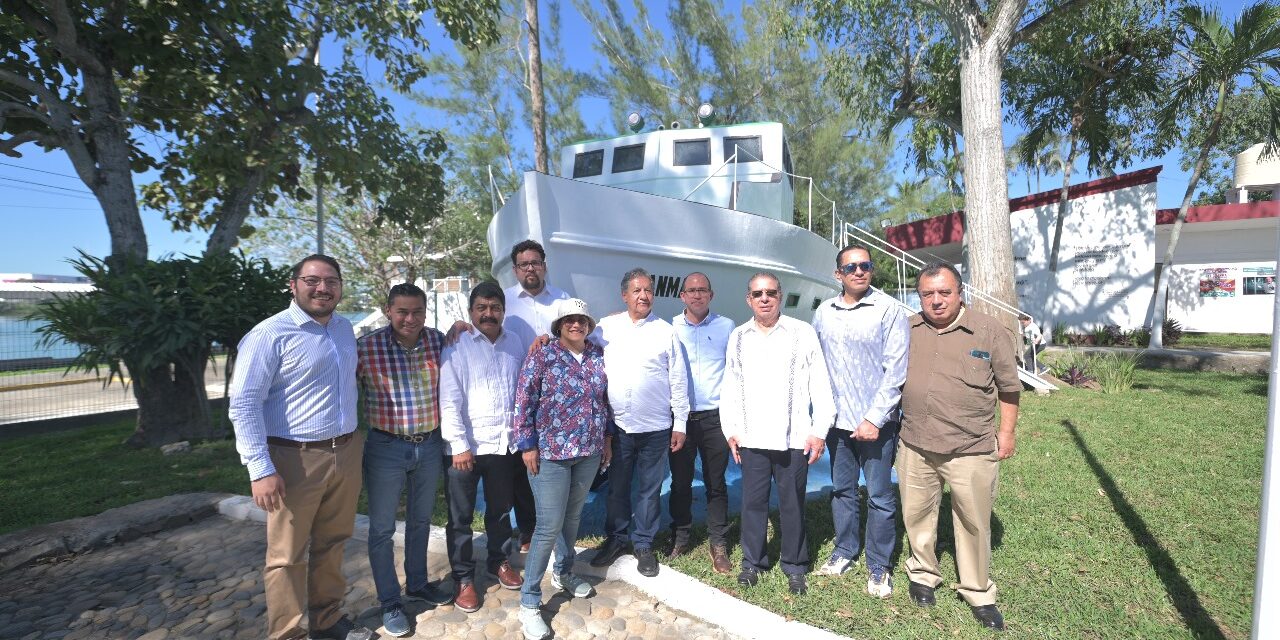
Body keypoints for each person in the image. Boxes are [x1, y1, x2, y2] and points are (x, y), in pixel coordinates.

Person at [228, 254, 372, 640]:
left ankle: (327, 622)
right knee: (286, 556)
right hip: (294, 459)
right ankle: (287, 633)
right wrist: (260, 469)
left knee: (333, 543)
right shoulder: (268, 335)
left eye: (331, 281)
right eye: (312, 280)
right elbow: (243, 404)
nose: (323, 288)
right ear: (293, 286)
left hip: (345, 451)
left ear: (341, 287)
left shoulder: (343, 329)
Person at [899, 262, 1021, 631]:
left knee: (972, 521)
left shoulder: (988, 330)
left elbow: (1009, 387)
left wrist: (1007, 432)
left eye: (944, 292)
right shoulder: (908, 329)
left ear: (960, 291)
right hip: (916, 442)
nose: (936, 301)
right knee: (917, 514)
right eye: (927, 294)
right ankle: (923, 575)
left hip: (970, 446)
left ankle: (978, 592)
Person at [721, 272, 836, 596]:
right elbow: (730, 386)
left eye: (770, 292)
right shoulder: (739, 337)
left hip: (793, 439)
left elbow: (820, 385)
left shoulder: (801, 333)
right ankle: (752, 562)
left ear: (780, 296)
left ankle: (795, 566)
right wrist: (731, 430)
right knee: (753, 504)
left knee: (792, 505)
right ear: (749, 299)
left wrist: (818, 431)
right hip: (753, 439)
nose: (764, 298)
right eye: (758, 293)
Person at [512, 298, 613, 640]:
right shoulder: (542, 354)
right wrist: (527, 444)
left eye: (582, 320)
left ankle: (564, 572)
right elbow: (524, 399)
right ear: (559, 325)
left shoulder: (597, 354)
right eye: (569, 320)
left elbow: (604, 402)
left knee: (572, 518)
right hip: (550, 453)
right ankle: (529, 602)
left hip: (588, 450)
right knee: (548, 525)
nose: (576, 324)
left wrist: (607, 440)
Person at [356, 283, 453, 637]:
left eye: (417, 312)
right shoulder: (366, 348)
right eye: (402, 312)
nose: (409, 319)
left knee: (421, 520)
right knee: (381, 529)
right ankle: (389, 601)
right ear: (388, 311)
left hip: (428, 445)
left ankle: (418, 583)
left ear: (425, 312)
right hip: (385, 448)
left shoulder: (439, 342)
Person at [812, 245, 909, 599]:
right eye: (850, 267)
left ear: (872, 270)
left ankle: (879, 564)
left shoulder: (888, 310)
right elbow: (816, 365)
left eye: (865, 265)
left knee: (880, 497)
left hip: (875, 425)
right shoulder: (824, 312)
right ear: (838, 273)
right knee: (842, 491)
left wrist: (874, 418)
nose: (858, 271)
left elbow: (896, 371)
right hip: (838, 424)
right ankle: (845, 550)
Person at [588, 268, 690, 578]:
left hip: (657, 427)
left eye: (647, 290)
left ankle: (643, 544)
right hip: (618, 427)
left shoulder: (666, 332)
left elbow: (678, 378)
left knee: (650, 489)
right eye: (636, 291)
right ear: (624, 296)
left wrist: (680, 422)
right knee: (617, 489)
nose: (643, 296)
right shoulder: (607, 327)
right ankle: (617, 539)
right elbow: (575, 340)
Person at [439, 282, 526, 613]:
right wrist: (459, 445)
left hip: (503, 446)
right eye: (482, 308)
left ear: (504, 310)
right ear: (471, 311)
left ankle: (498, 561)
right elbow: (449, 398)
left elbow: (520, 392)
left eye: (495, 307)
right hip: (465, 450)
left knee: (500, 511)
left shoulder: (514, 342)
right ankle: (462, 578)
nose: (489, 313)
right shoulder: (457, 343)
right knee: (460, 518)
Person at [666, 272, 735, 574]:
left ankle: (718, 542)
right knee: (680, 483)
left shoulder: (726, 327)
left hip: (713, 418)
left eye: (702, 290)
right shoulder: (669, 328)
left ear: (711, 295)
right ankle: (680, 536)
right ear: (682, 296)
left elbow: (735, 373)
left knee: (716, 483)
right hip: (680, 420)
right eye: (691, 290)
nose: (696, 295)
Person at [504, 239, 569, 552]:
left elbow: (578, 334)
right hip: (515, 393)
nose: (530, 268)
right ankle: (528, 530)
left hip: (555, 400)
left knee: (552, 465)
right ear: (515, 270)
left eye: (535, 262)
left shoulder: (562, 300)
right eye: (523, 264)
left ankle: (555, 527)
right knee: (521, 465)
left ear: (545, 265)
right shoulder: (503, 302)